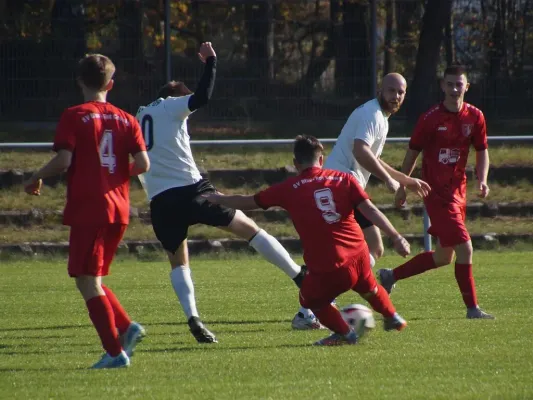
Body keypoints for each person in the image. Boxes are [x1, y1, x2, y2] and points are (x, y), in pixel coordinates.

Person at [135, 42, 311, 344]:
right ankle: (299, 277)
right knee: (250, 229)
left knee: (178, 261)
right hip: (191, 189)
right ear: (177, 97)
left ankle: (193, 318)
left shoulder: (138, 116)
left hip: (160, 201)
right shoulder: (172, 105)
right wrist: (211, 62)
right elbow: (202, 96)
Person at [204, 135, 411, 346]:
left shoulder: (288, 188)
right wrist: (396, 236)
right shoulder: (345, 179)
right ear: (321, 160)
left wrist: (219, 198)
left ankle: (344, 334)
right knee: (370, 288)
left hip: (331, 264)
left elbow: (249, 202)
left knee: (310, 300)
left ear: (295, 163)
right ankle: (393, 316)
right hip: (359, 254)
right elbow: (371, 210)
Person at [23, 54, 150, 368]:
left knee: (87, 280)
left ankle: (113, 352)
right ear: (111, 83)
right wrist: (117, 175)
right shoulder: (127, 119)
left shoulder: (74, 115)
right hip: (119, 208)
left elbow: (64, 161)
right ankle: (125, 327)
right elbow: (144, 165)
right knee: (90, 277)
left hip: (91, 208)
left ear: (80, 81)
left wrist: (35, 175)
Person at [289, 73, 431, 324]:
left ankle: (315, 306)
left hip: (343, 188)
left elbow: (373, 158)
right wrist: (388, 180)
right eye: (391, 90)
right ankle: (314, 307)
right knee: (364, 249)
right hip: (341, 188)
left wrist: (407, 181)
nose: (395, 96)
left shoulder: (380, 118)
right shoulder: (371, 114)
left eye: (400, 92)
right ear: (380, 89)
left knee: (370, 248)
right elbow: (361, 151)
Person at [378, 65, 494, 320]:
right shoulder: (430, 118)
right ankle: (472, 309)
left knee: (444, 256)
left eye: (459, 84)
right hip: (436, 194)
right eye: (449, 84)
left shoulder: (475, 117)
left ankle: (390, 276)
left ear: (467, 86)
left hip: (458, 192)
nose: (454, 89)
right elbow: (412, 152)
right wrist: (403, 186)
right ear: (442, 86)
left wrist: (482, 179)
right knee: (466, 248)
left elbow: (482, 150)